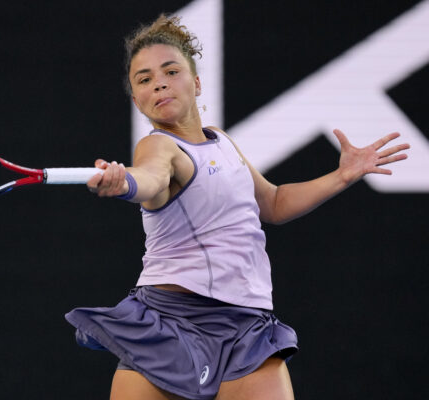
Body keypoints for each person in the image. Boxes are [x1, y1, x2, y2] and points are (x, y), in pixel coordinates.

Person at [65, 14, 409, 400]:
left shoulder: (223, 142)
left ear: (196, 83)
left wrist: (342, 176)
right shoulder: (157, 146)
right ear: (137, 100)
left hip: (247, 328)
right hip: (168, 325)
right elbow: (151, 178)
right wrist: (124, 182)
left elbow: (273, 203)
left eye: (170, 70)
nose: (158, 82)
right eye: (144, 79)